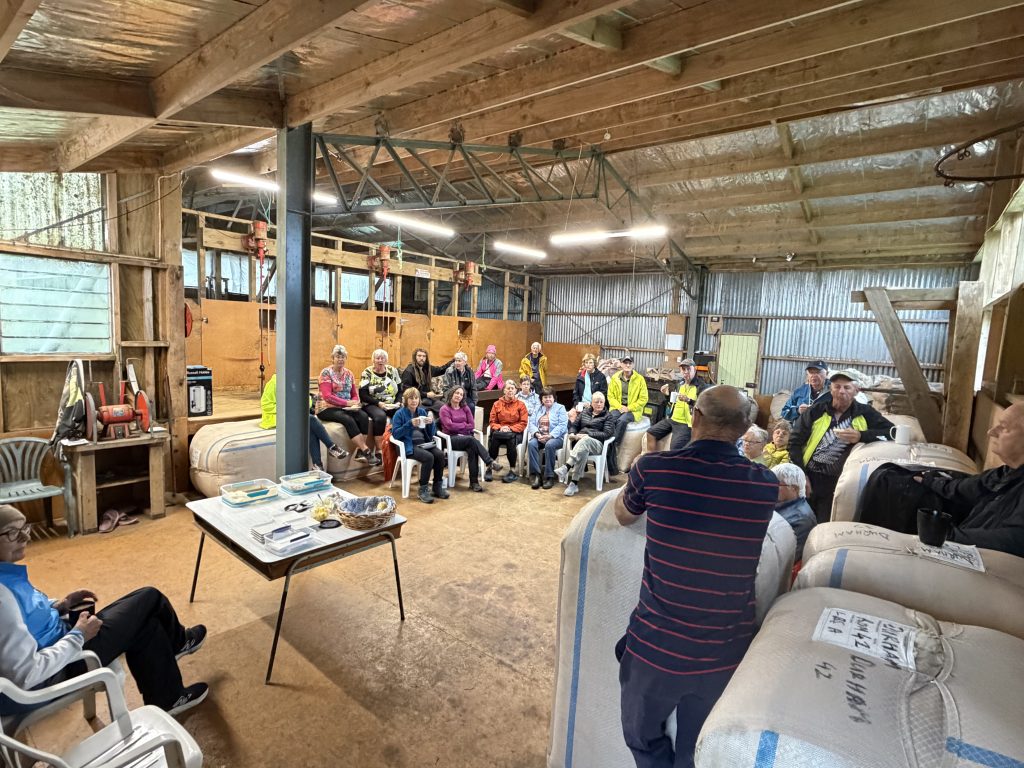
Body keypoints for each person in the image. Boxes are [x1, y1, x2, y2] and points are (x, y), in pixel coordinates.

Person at [613, 386, 778, 768]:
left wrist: (635, 481)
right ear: (744, 429)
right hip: (725, 653)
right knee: (698, 751)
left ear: (696, 417)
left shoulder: (655, 470)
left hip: (657, 647)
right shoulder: (764, 484)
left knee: (641, 736)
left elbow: (623, 514)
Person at [0, 505, 209, 718]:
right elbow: (25, 674)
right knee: (150, 598)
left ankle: (168, 698)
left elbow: (26, 615)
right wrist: (78, 636)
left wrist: (60, 605)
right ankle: (179, 642)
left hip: (60, 645)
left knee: (147, 623)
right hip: (55, 672)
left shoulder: (6, 577)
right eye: (12, 533)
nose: (25, 537)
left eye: (24, 528)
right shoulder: (2, 597)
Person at [915, 402, 1024, 556]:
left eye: (1004, 427)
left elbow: (1017, 540)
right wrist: (930, 481)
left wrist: (948, 535)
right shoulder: (1005, 472)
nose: (991, 432)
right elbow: (966, 488)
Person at [789, 369, 894, 523]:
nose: (841, 391)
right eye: (837, 387)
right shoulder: (816, 411)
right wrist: (802, 476)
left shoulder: (865, 412)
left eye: (847, 387)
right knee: (799, 521)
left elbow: (892, 432)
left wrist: (861, 435)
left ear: (856, 391)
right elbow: (794, 442)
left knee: (824, 523)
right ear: (830, 389)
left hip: (838, 481)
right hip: (809, 475)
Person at [260, 374, 348, 472]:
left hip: (294, 415)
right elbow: (266, 405)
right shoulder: (274, 383)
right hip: (276, 416)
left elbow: (308, 402)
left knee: (309, 426)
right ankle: (331, 447)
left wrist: (298, 408)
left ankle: (318, 465)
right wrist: (289, 410)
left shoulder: (298, 382)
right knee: (311, 419)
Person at [316, 345, 379, 466]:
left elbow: (354, 394)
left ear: (346, 358)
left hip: (346, 407)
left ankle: (360, 452)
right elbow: (327, 396)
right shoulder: (326, 373)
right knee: (348, 419)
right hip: (326, 407)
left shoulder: (349, 374)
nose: (340, 359)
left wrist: (354, 402)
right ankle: (366, 450)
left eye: (343, 357)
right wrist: (346, 403)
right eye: (337, 357)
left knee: (363, 416)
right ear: (333, 358)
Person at [439, 386, 504, 492]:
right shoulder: (444, 409)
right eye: (457, 393)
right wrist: (464, 425)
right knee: (471, 440)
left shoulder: (465, 408)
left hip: (466, 438)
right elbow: (449, 427)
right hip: (451, 439)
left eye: (461, 394)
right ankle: (489, 462)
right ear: (451, 394)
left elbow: (472, 425)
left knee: (472, 448)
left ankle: (474, 483)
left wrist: (459, 426)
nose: (458, 396)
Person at [391, 388, 447, 504]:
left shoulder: (422, 412)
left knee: (440, 455)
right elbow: (395, 434)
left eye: (416, 398)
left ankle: (437, 486)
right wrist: (409, 424)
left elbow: (431, 433)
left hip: (423, 443)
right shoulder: (399, 414)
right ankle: (423, 489)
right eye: (411, 398)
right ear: (406, 400)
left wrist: (431, 423)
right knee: (429, 457)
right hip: (408, 445)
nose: (414, 401)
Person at [554, 392, 615, 497]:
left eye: (601, 402)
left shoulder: (608, 416)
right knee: (583, 451)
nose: (599, 404)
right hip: (581, 443)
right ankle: (574, 483)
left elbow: (607, 433)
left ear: (604, 403)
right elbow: (574, 426)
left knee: (585, 440)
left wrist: (588, 434)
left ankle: (567, 466)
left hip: (598, 444)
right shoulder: (585, 412)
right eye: (596, 402)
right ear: (591, 403)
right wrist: (572, 433)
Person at [644, 358, 706, 454]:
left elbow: (704, 407)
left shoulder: (701, 386)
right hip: (673, 419)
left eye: (688, 369)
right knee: (650, 433)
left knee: (675, 447)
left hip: (686, 423)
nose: (686, 372)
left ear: (694, 369)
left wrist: (689, 401)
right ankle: (650, 458)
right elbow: (672, 403)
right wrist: (667, 394)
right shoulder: (679, 384)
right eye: (683, 369)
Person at [607, 357, 649, 475]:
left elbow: (644, 399)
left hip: (633, 409)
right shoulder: (615, 378)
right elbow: (610, 396)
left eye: (630, 363)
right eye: (625, 363)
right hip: (618, 407)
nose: (628, 365)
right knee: (610, 418)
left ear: (633, 365)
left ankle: (614, 444)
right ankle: (605, 440)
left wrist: (629, 408)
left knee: (622, 421)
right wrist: (619, 406)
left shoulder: (639, 379)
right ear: (621, 364)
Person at [359, 349, 403, 459]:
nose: (380, 360)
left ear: (386, 360)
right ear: (373, 360)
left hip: (391, 403)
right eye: (377, 358)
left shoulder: (392, 371)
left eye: (382, 358)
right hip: (372, 403)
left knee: (402, 413)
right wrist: (378, 403)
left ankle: (399, 445)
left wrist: (398, 402)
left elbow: (400, 390)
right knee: (380, 417)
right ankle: (379, 450)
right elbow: (363, 395)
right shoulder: (367, 372)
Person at [771, 463, 817, 562]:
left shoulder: (801, 518)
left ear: (794, 488)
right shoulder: (783, 505)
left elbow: (785, 558)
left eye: (776, 484)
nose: (771, 488)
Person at [526, 387, 567, 490]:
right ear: (541, 399)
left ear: (554, 398)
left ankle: (549, 476)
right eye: (545, 397)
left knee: (549, 444)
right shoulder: (538, 409)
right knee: (531, 444)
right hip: (540, 436)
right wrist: (537, 434)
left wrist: (550, 435)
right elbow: (531, 423)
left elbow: (562, 425)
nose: (547, 399)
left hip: (556, 438)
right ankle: (537, 475)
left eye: (550, 397)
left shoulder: (560, 408)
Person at [488, 380, 528, 484]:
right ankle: (490, 467)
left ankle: (512, 471)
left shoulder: (521, 405)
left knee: (511, 440)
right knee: (494, 438)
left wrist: (510, 428)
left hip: (515, 432)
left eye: (512, 388)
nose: (510, 390)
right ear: (504, 390)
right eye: (508, 388)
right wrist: (501, 428)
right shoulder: (496, 404)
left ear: (516, 391)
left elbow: (523, 423)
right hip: (500, 431)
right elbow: (492, 421)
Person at [400, 347, 452, 415]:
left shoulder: (428, 369)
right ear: (415, 357)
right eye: (419, 356)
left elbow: (441, 370)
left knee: (444, 408)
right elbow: (407, 390)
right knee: (423, 412)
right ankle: (428, 412)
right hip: (415, 400)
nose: (422, 358)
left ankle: (431, 413)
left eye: (424, 356)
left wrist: (454, 360)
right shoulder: (409, 371)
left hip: (429, 400)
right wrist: (426, 394)